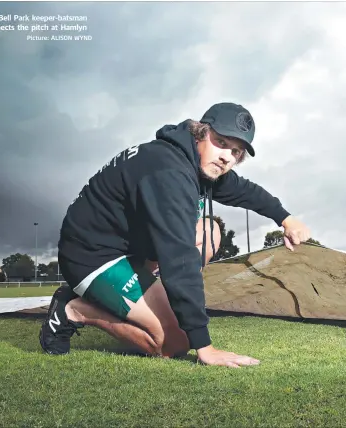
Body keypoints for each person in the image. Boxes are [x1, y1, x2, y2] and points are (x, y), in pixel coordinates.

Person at [39, 102, 311, 368]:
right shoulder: (169, 171)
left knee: (210, 231)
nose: (227, 156)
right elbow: (179, 258)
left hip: (129, 249)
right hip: (93, 256)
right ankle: (74, 310)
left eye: (236, 152)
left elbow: (245, 191)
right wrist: (205, 347)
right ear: (201, 132)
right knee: (176, 343)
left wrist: (285, 218)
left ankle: (149, 292)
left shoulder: (197, 161)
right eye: (222, 142)